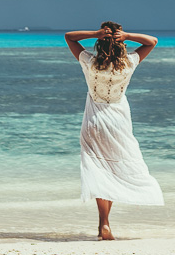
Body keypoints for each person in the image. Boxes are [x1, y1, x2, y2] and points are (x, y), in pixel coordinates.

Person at [64, 21, 164, 240]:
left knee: (99, 171)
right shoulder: (128, 63)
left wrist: (95, 34)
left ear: (100, 43)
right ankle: (105, 224)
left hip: (94, 121)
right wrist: (126, 35)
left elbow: (69, 36)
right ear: (121, 44)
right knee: (112, 169)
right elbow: (152, 41)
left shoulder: (90, 63)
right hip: (118, 121)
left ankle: (104, 224)